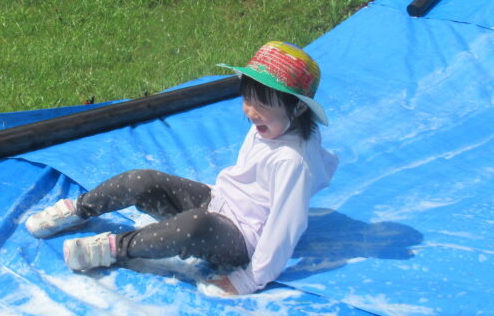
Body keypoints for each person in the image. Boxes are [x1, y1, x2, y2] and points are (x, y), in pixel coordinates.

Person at [24, 41, 339, 295]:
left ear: (299, 107)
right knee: (143, 180)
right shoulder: (273, 126)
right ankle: (81, 208)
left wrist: (250, 279)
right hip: (219, 202)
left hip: (241, 239)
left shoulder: (292, 162)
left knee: (193, 226)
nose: (250, 112)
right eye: (247, 100)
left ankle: (113, 248)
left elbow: (285, 227)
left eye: (263, 105)